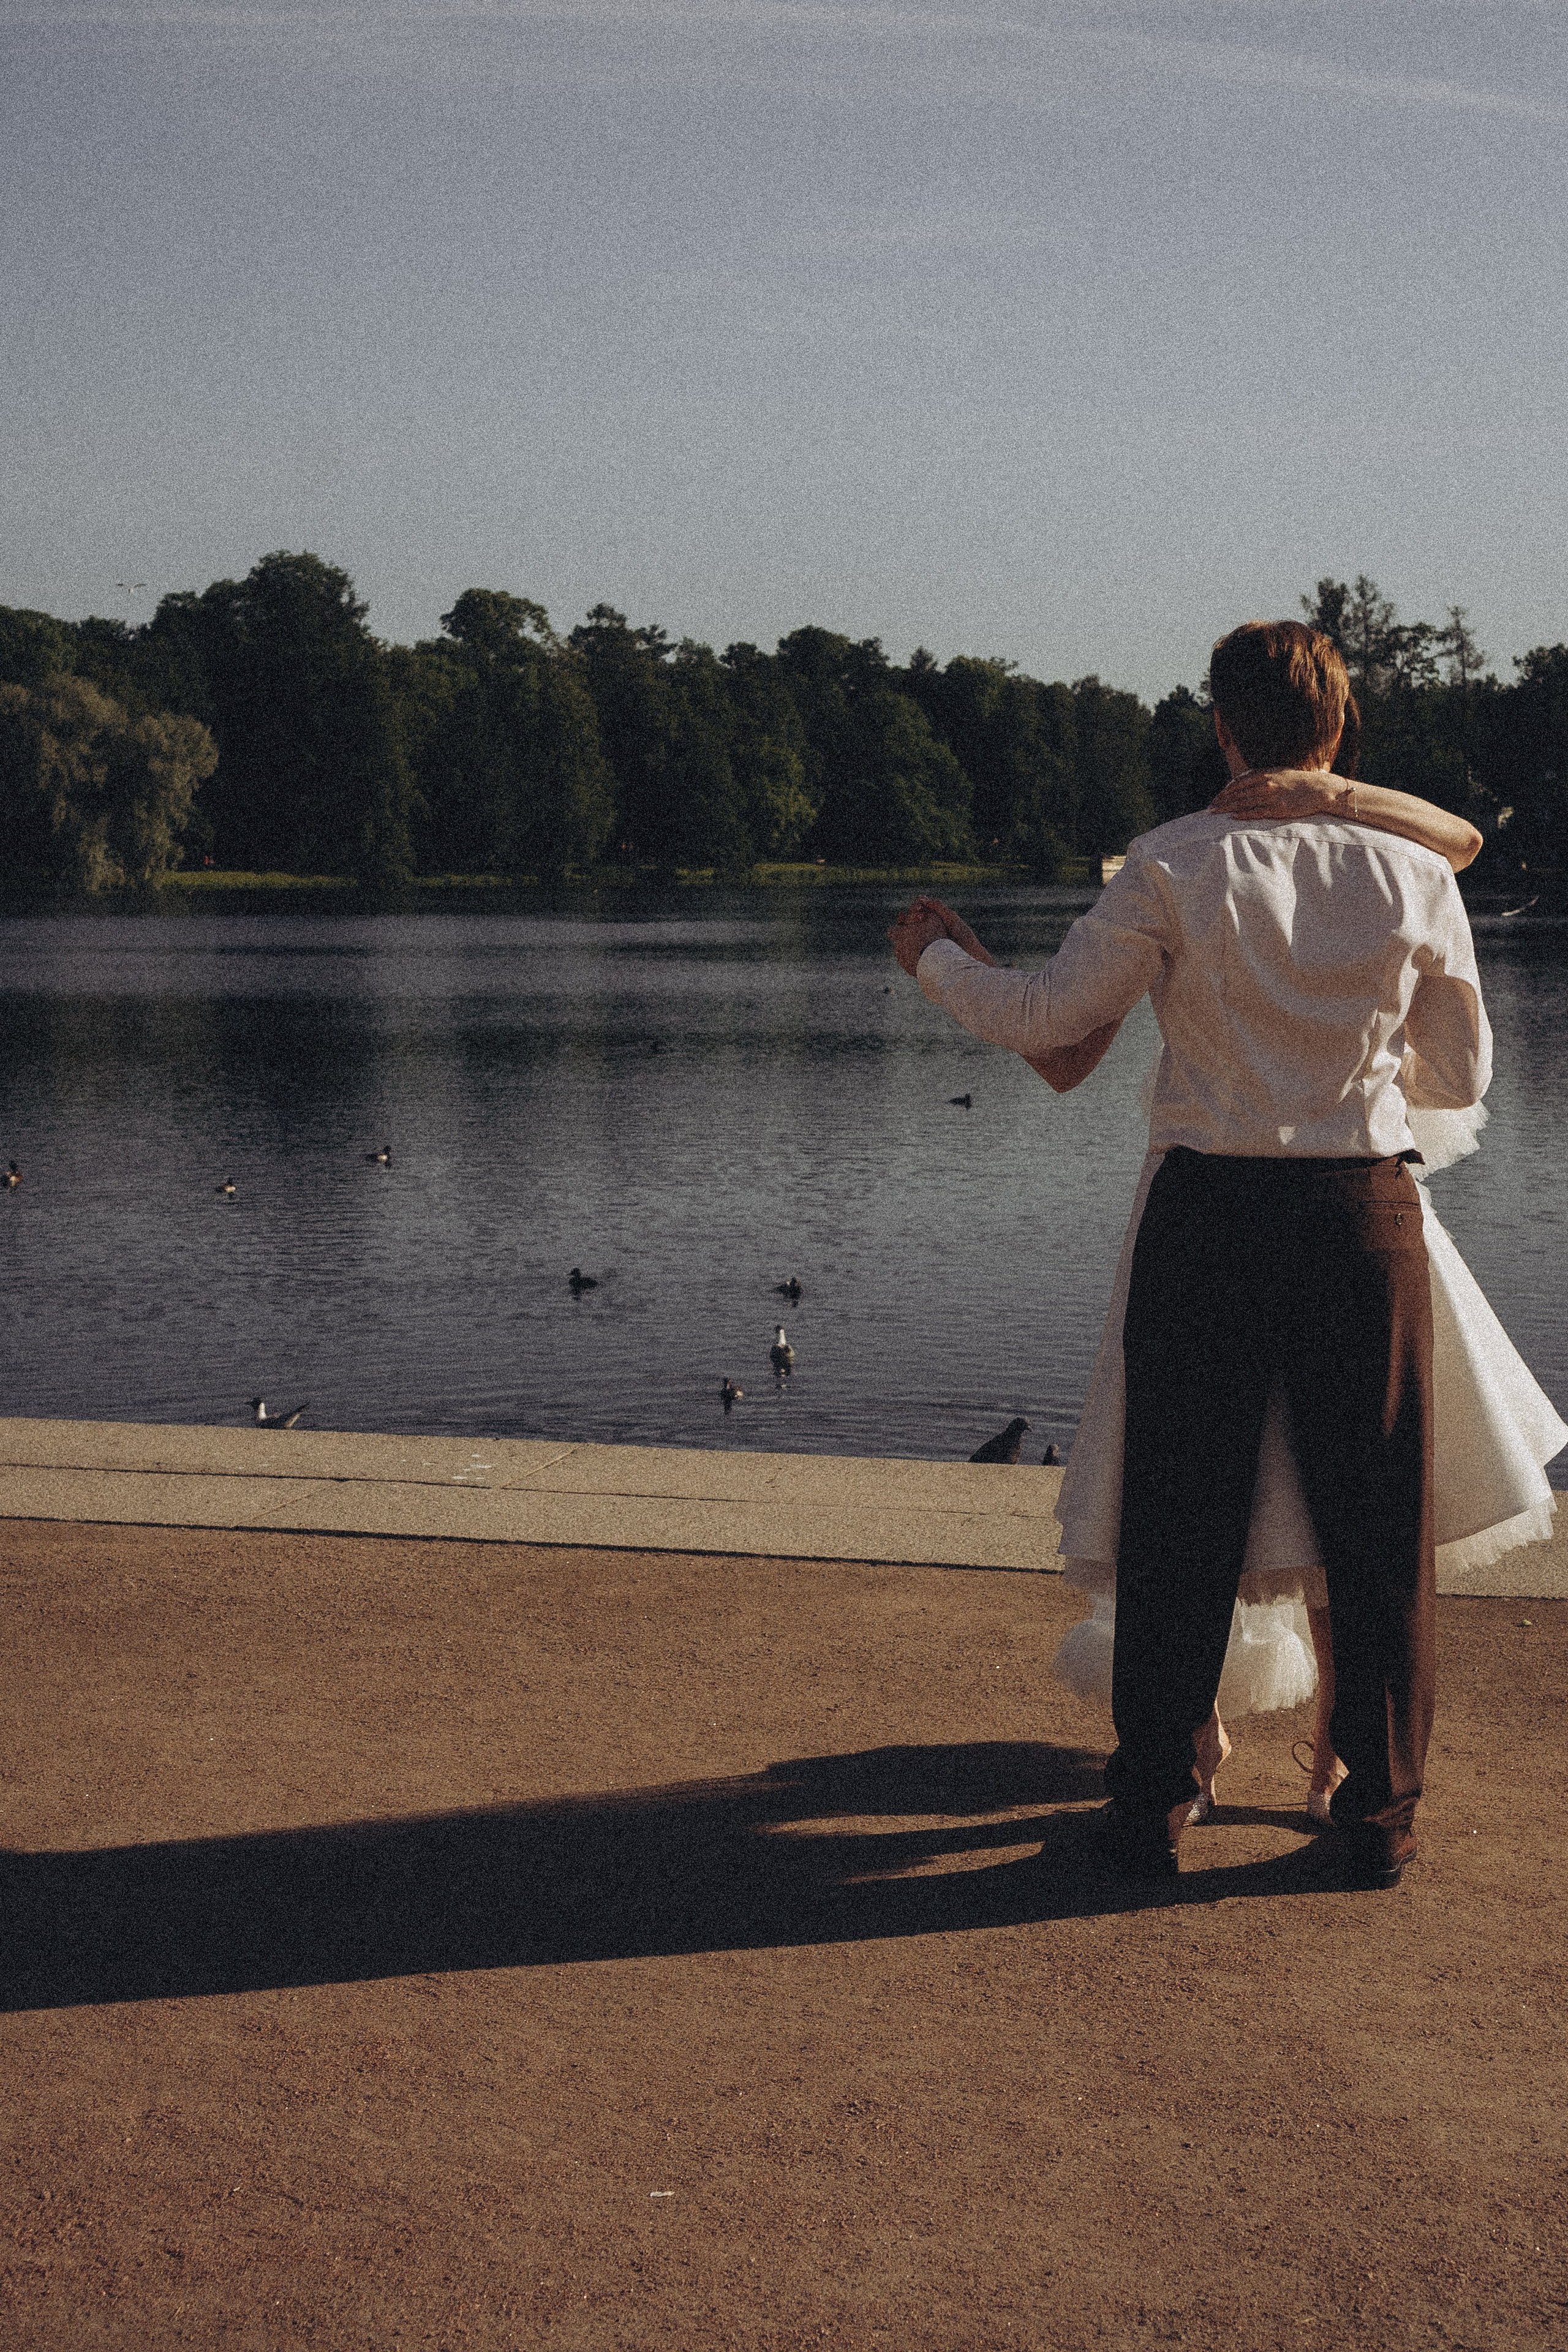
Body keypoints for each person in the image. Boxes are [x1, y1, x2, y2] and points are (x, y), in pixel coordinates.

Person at [890, 619, 1494, 1888]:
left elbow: (1049, 1019)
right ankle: (1375, 1822)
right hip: (1357, 1211)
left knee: (1177, 1522)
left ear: (1220, 729)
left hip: (1210, 1213)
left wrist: (935, 959)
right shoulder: (1412, 877)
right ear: (1341, 733)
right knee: (1375, 1532)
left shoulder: (1169, 868)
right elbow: (1458, 1074)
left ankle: (1153, 1807)